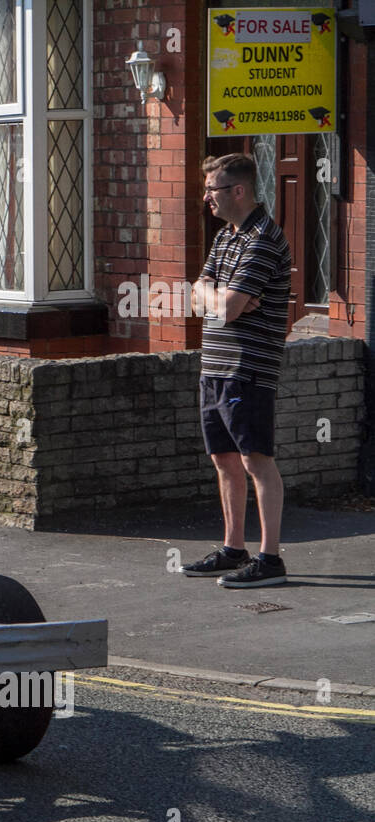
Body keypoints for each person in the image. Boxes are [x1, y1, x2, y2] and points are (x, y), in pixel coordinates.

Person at [181, 154, 292, 588]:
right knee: (223, 459)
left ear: (239, 191)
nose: (206, 197)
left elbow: (223, 308)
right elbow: (197, 297)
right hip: (214, 365)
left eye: (213, 189)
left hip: (249, 368)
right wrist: (222, 299)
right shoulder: (226, 237)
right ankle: (233, 548)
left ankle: (270, 559)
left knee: (255, 460)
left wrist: (222, 301)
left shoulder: (264, 239)